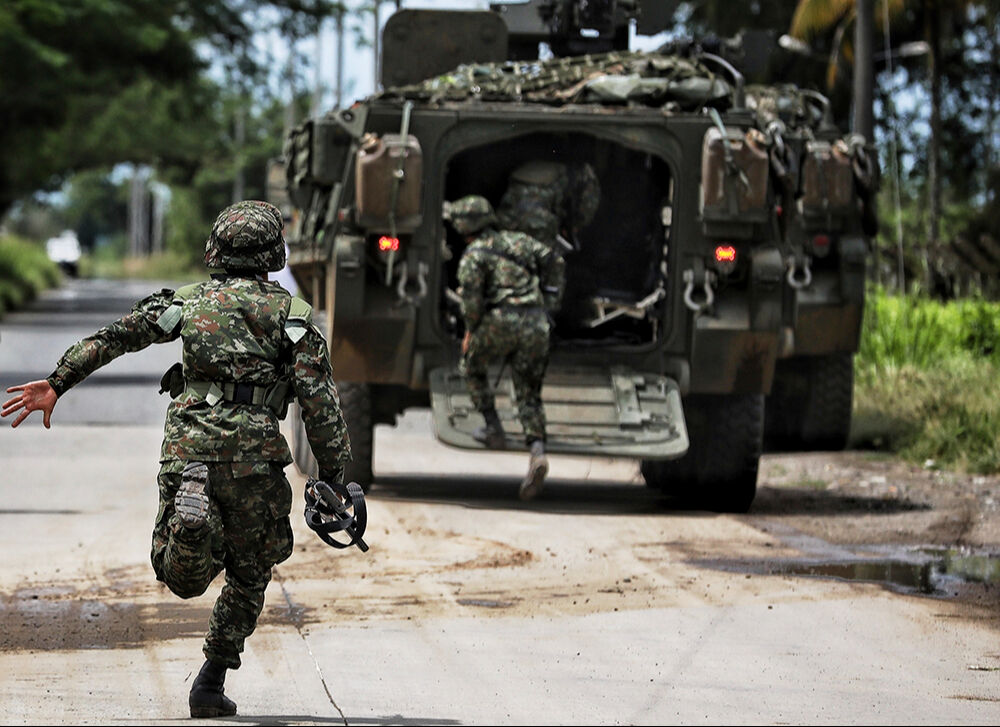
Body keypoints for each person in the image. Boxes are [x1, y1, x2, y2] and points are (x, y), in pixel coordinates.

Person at [1, 200, 351, 718]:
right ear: (273, 252)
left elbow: (116, 338)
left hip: (189, 452)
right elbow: (319, 403)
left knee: (180, 577)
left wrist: (57, 382)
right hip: (255, 460)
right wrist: (336, 475)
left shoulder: (186, 303)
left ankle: (189, 531)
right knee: (252, 571)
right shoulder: (293, 318)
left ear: (217, 248)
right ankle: (209, 683)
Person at [444, 194, 565, 501]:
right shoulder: (519, 241)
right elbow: (555, 260)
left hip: (500, 321)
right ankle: (537, 451)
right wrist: (550, 300)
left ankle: (493, 426)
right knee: (528, 389)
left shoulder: (473, 255)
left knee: (471, 366)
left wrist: (471, 332)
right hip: (536, 323)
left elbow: (471, 300)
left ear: (464, 226)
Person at [495, 160, 600, 255]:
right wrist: (574, 227)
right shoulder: (584, 175)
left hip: (510, 209)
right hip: (537, 219)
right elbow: (586, 208)